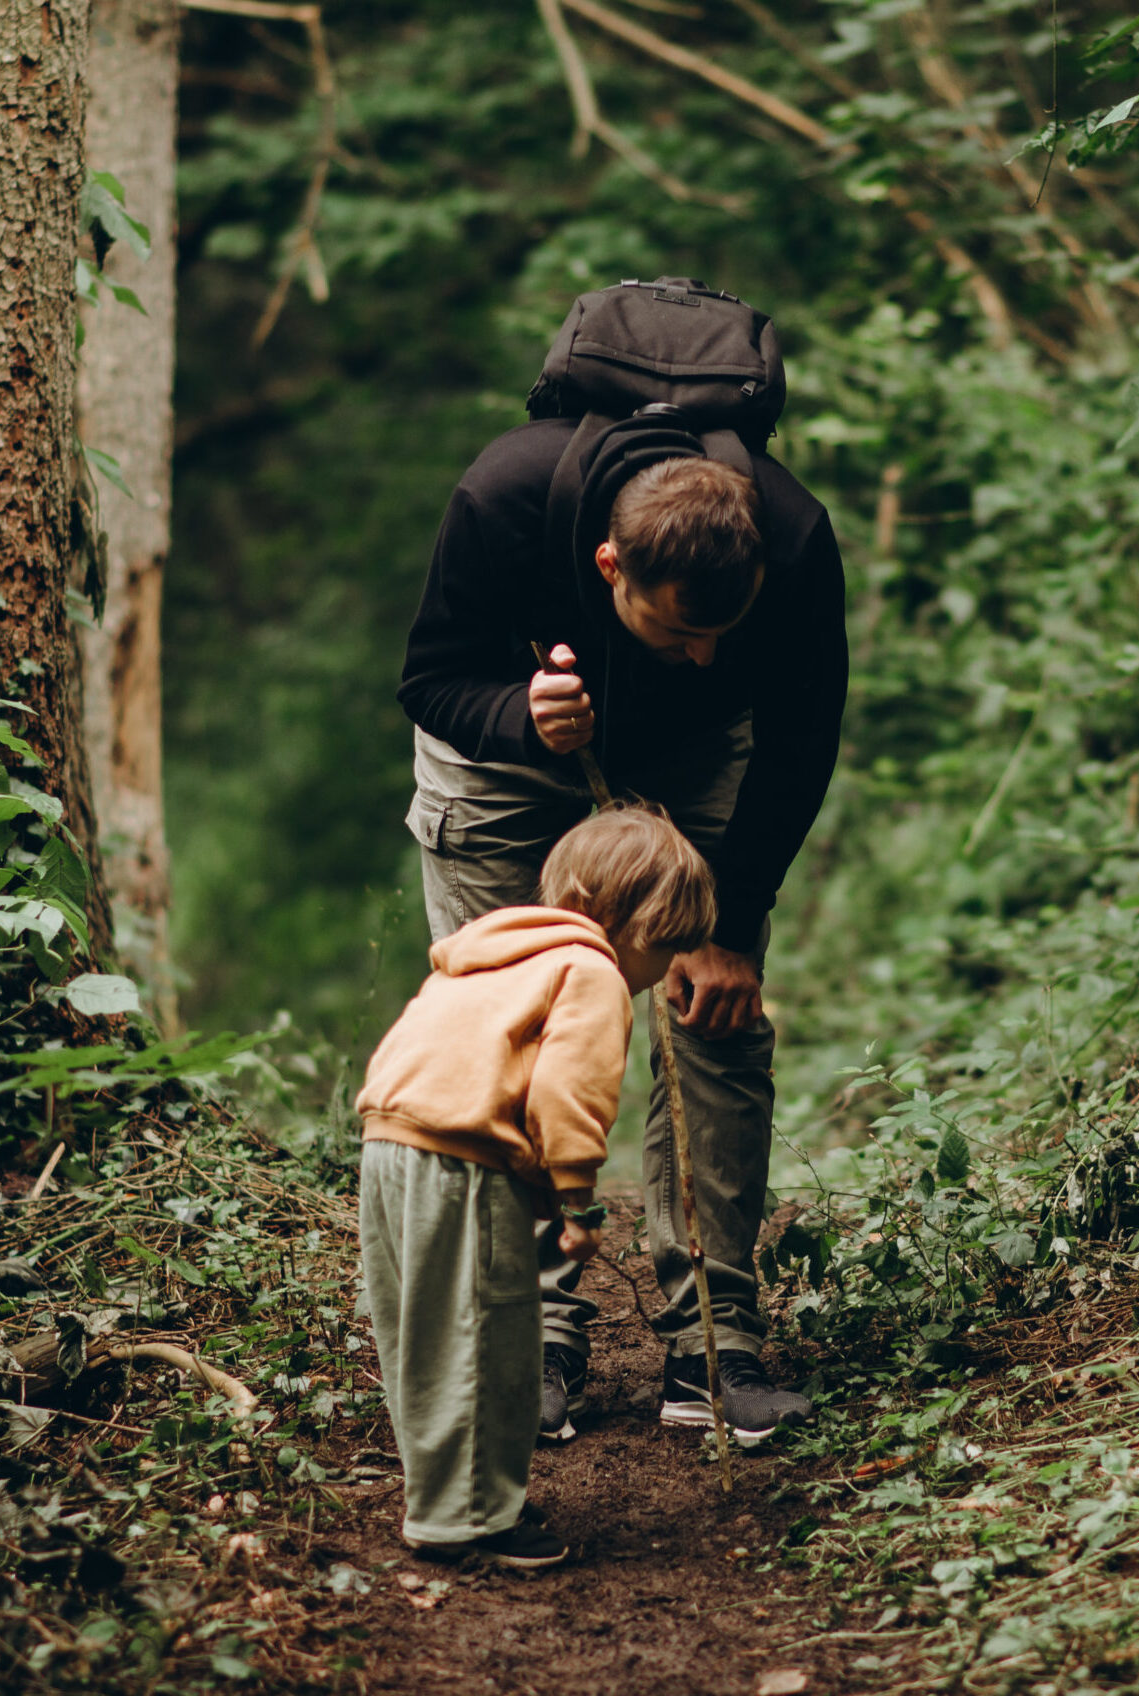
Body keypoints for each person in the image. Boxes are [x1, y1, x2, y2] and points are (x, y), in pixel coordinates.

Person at [398, 393, 846, 1445]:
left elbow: (797, 737)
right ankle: (529, 1332)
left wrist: (730, 925)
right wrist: (522, 712)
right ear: (610, 568)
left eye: (720, 634)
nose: (701, 656)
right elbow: (429, 675)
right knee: (509, 1020)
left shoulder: (792, 536)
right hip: (505, 759)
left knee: (714, 1013)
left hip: (694, 762)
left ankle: (713, 1341)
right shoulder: (504, 497)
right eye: (681, 629)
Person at [354, 804, 717, 1568]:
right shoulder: (590, 972)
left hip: (388, 1148)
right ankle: (474, 1521)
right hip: (462, 1165)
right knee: (489, 1341)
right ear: (619, 919)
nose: (660, 971)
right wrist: (578, 1200)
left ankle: (441, 1501)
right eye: (663, 946)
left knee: (421, 1340)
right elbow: (566, 1094)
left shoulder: (486, 954)